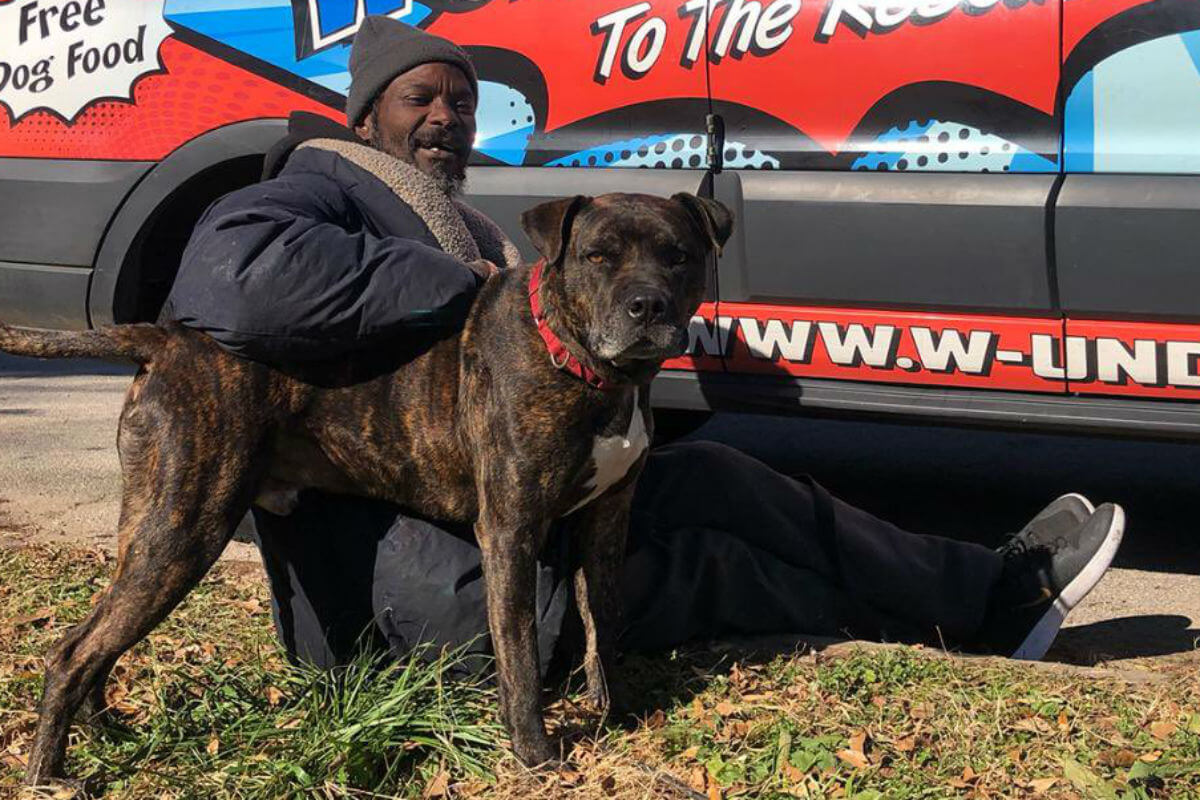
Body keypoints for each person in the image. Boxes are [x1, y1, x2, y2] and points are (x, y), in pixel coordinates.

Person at [163, 17, 1126, 677]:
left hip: (522, 505)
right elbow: (231, 280)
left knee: (721, 478)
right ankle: (934, 627)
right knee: (707, 568)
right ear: (364, 114)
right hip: (410, 582)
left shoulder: (454, 216)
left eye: (462, 101)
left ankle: (990, 593)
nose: (447, 117)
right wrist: (470, 289)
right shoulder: (317, 184)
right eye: (421, 97)